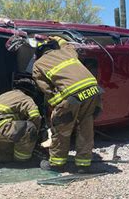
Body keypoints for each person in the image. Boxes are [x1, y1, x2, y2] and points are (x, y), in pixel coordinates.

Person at [32, 36, 102, 173]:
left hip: (72, 96)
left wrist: (56, 104)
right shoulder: (67, 52)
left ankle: (57, 164)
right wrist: (58, 38)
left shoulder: (38, 64)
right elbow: (67, 44)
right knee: (85, 127)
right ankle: (83, 165)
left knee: (61, 129)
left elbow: (45, 88)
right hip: (93, 90)